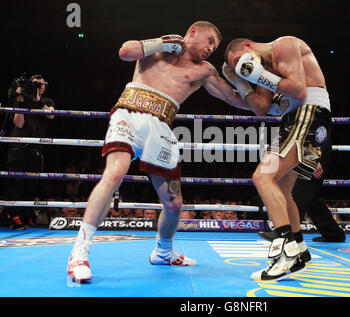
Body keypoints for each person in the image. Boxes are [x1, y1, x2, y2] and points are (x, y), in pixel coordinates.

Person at [67, 21, 250, 282]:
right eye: (209, 41)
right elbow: (125, 51)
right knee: (115, 173)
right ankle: (79, 254)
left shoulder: (205, 70)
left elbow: (232, 98)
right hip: (130, 112)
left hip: (161, 128)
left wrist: (264, 97)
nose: (211, 48)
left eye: (215, 46)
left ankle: (163, 251)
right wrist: (162, 42)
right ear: (193, 32)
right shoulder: (160, 48)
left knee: (174, 204)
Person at [223, 36, 332, 281]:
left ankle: (287, 251)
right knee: (283, 190)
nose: (241, 66)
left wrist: (256, 75)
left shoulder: (285, 45)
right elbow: (261, 107)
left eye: (239, 60)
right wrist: (241, 85)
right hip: (295, 119)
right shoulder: (265, 70)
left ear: (248, 47)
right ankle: (300, 249)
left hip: (309, 112)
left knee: (262, 176)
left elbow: (298, 89)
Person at [6, 74, 55, 229]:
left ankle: (27, 215)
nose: (38, 87)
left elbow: (51, 114)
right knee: (16, 181)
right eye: (34, 84)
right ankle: (15, 217)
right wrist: (20, 102)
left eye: (40, 84)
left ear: (44, 86)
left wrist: (37, 100)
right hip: (18, 145)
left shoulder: (47, 102)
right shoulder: (22, 100)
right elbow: (18, 124)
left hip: (36, 148)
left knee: (32, 183)